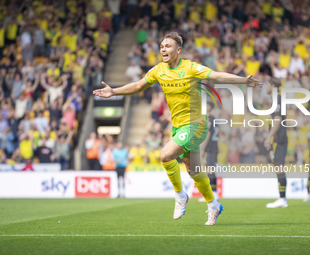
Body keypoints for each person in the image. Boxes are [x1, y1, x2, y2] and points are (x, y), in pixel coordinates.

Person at [94, 32, 261, 225]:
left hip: (196, 124)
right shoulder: (159, 70)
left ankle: (180, 195)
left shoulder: (190, 68)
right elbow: (139, 86)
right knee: (194, 171)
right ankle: (213, 204)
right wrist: (114, 91)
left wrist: (243, 80)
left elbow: (215, 75)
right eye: (162, 46)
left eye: (168, 46)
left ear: (178, 50)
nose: (163, 49)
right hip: (179, 126)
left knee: (165, 155)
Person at [264, 78, 288, 208]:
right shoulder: (276, 100)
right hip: (277, 138)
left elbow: (278, 120)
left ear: (272, 85)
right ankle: (282, 198)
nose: (265, 87)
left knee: (279, 167)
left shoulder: (277, 99)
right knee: (278, 167)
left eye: (267, 84)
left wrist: (269, 137)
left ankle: (282, 199)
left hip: (279, 138)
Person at [200, 101, 219, 201]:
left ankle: (214, 193)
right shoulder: (212, 118)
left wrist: (202, 149)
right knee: (209, 169)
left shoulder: (209, 119)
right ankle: (211, 193)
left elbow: (208, 133)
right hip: (212, 146)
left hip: (211, 147)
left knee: (210, 170)